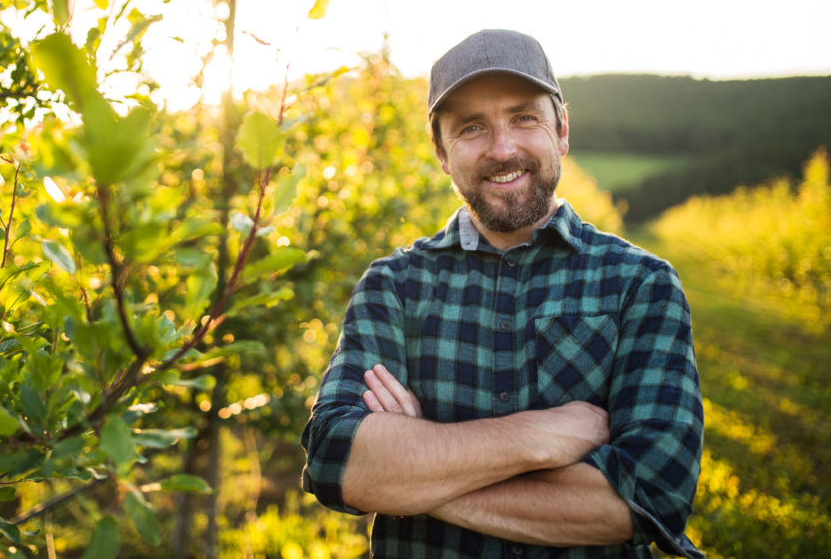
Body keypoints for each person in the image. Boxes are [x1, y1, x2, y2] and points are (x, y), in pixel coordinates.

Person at [300, 29, 704, 558]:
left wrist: (413, 470)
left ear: (561, 129)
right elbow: (336, 461)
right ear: (442, 153)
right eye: (471, 127)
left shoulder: (640, 284)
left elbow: (652, 495)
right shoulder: (393, 286)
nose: (502, 147)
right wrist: (540, 434)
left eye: (523, 118)